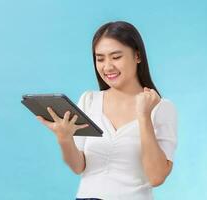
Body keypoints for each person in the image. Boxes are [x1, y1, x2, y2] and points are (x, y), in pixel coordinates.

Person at [36, 21, 178, 200]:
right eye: (100, 58)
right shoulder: (89, 100)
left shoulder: (161, 108)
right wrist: (64, 138)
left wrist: (143, 116)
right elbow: (79, 167)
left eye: (116, 57)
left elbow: (156, 177)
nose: (107, 67)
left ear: (137, 56)